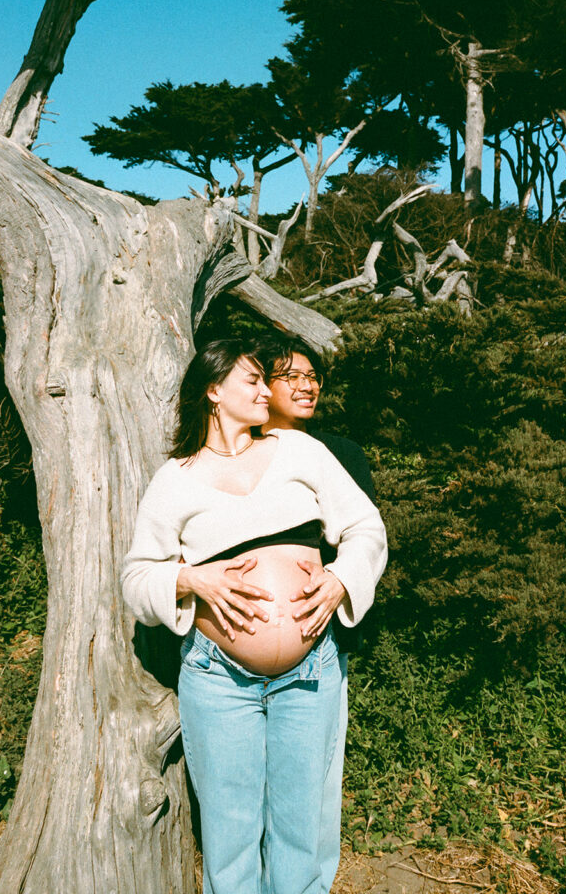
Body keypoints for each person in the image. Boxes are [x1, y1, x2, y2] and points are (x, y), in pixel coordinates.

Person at [121, 339, 387, 894]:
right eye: (253, 381)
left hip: (310, 670)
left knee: (300, 829)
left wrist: (340, 581)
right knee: (231, 833)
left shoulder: (300, 453)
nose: (268, 391)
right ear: (214, 392)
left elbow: (367, 530)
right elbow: (136, 579)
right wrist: (189, 578)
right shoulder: (175, 478)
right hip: (219, 680)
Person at [253, 335, 376, 894]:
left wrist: (340, 585)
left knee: (316, 784)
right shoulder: (231, 451)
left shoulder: (342, 452)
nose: (306, 385)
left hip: (318, 646)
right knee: (248, 786)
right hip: (230, 654)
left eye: (312, 376)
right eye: (290, 375)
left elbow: (364, 539)